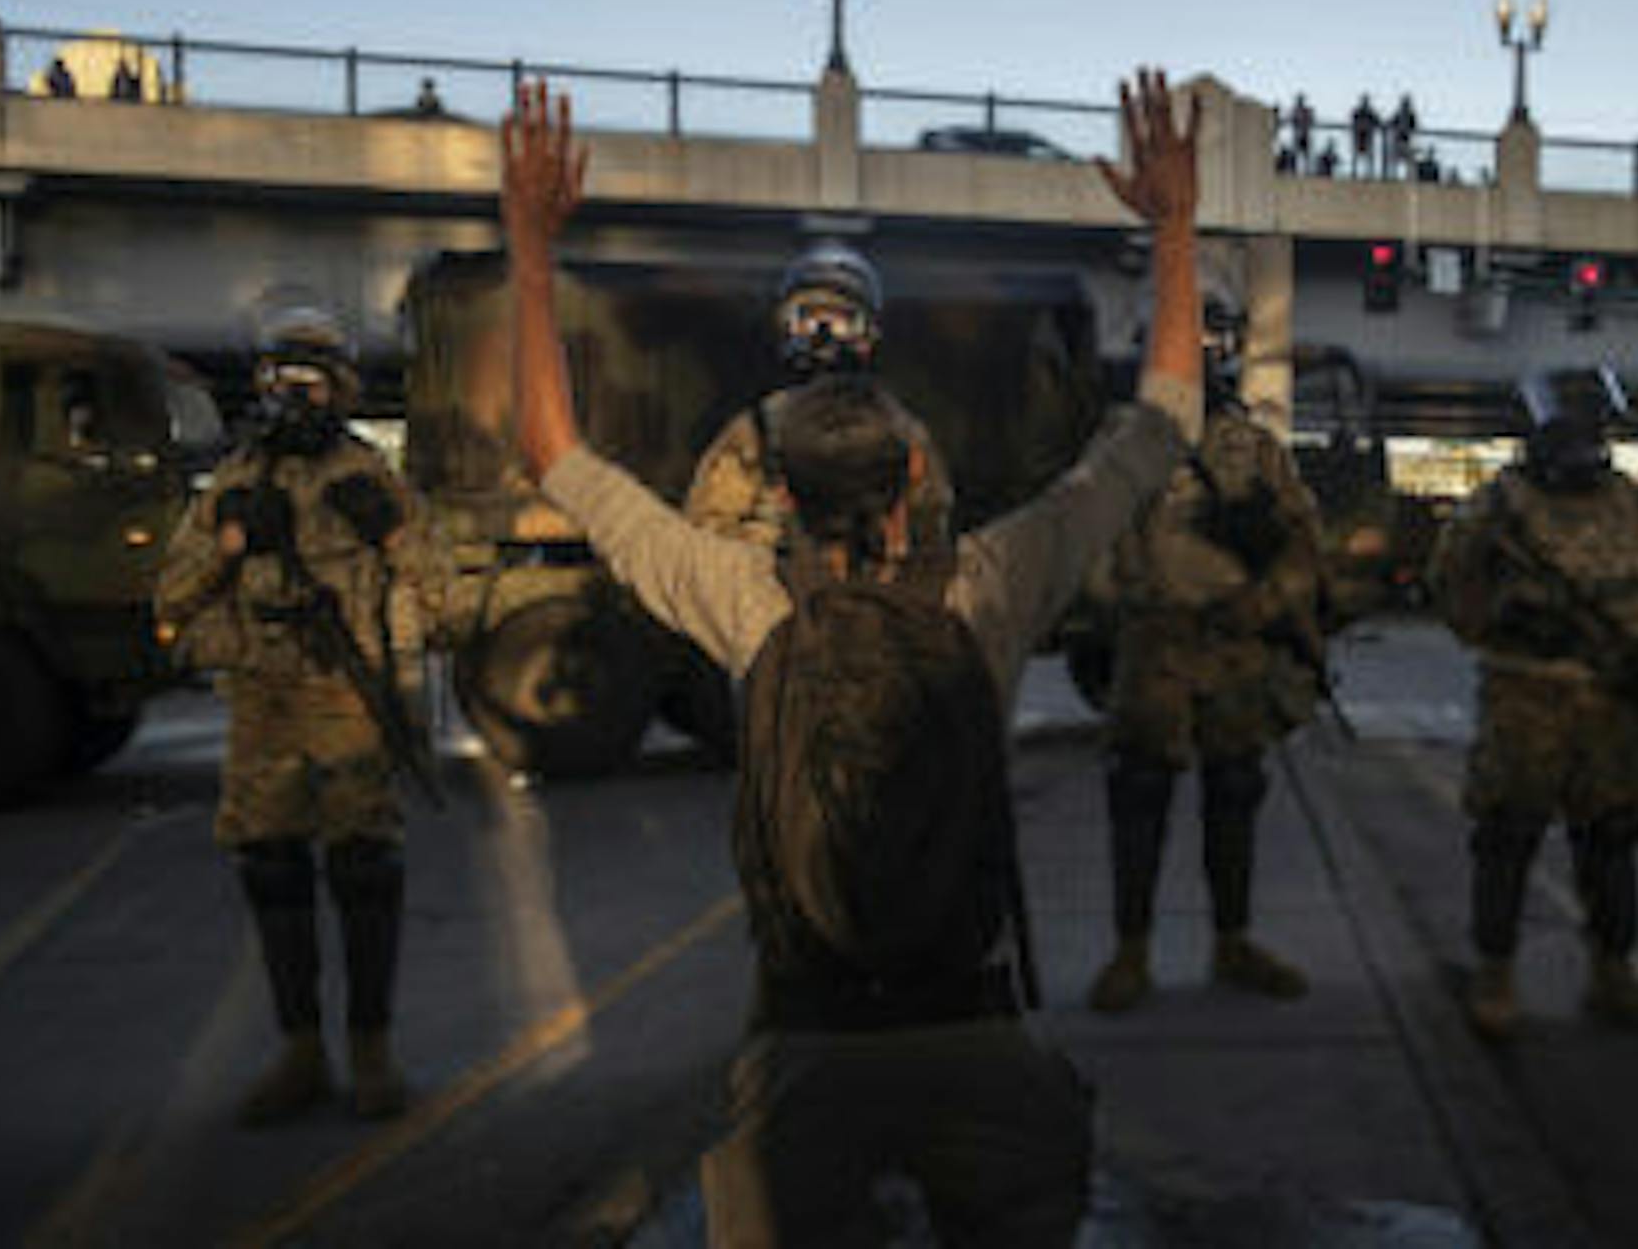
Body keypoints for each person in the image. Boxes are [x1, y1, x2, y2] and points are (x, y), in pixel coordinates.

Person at [502, 69, 1205, 1247]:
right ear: (917, 483)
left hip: (803, 1029)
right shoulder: (987, 586)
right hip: (975, 1016)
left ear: (775, 491)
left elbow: (553, 453)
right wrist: (1173, 228)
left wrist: (529, 246)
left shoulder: (746, 601)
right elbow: (1161, 423)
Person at [155, 305, 459, 1125]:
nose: (294, 398)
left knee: (365, 875)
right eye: (279, 380)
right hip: (264, 708)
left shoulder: (371, 476)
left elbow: (449, 600)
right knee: (273, 873)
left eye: (312, 381)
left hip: (352, 707)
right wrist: (226, 545)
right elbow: (168, 601)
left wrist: (391, 533)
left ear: (343, 389)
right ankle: (300, 1053)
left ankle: (370, 1051)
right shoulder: (235, 480)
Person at [1431, 361, 1638, 1042]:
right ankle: (1495, 974)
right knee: (1508, 836)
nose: (1582, 445)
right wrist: (1513, 615)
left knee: (1612, 838)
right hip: (1525, 695)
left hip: (1612, 701)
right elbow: (1453, 593)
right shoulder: (1496, 510)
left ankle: (1613, 975)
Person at [1084, 334, 1329, 1013]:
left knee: (1235, 791)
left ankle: (1232, 943)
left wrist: (1264, 603)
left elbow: (1303, 541)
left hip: (1233, 646)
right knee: (1139, 798)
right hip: (1156, 646)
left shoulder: (1256, 447)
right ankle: (1131, 951)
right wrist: (1121, 601)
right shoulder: (1123, 439)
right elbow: (1090, 533)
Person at [683, 239, 953, 551]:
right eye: (810, 317)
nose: (823, 333)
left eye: (840, 320)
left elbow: (930, 535)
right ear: (787, 323)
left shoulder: (901, 434)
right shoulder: (757, 431)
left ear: (866, 332)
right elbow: (706, 537)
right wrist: (774, 541)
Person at [1387, 94, 1419, 180]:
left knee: (1410, 161)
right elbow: (1389, 123)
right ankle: (1392, 177)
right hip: (1397, 142)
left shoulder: (1410, 115)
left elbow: (1414, 127)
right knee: (1394, 161)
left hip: (1406, 142)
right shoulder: (1398, 115)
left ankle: (1410, 178)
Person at [1351, 94, 1380, 179]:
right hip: (1359, 138)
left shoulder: (1371, 113)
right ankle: (1354, 174)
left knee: (1369, 158)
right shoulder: (1357, 112)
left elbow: (1377, 122)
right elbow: (1353, 122)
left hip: (1368, 139)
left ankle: (1369, 175)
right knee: (1356, 157)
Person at [1289, 91, 1315, 172]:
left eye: (1301, 99)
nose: (1300, 101)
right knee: (1296, 154)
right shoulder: (1294, 110)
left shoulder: (1307, 110)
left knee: (1306, 155)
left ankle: (1307, 170)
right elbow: (1292, 121)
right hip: (1297, 135)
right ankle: (1294, 170)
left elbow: (1311, 121)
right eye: (1299, 99)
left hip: (1305, 135)